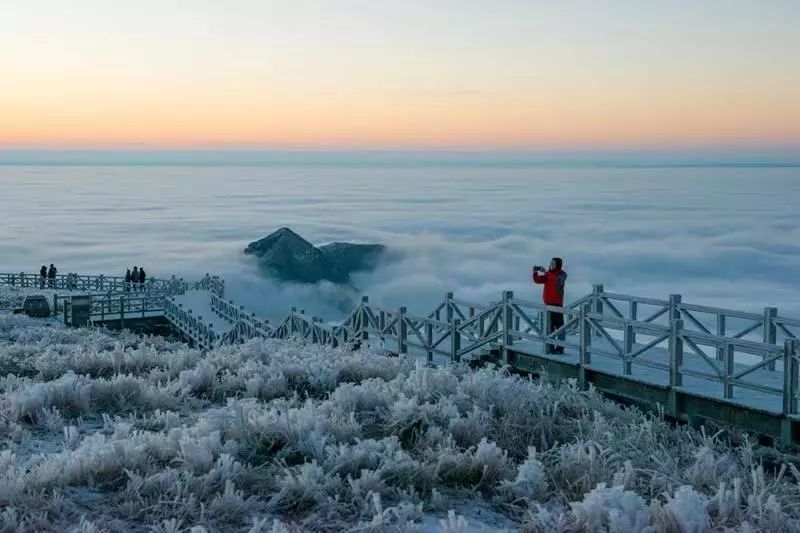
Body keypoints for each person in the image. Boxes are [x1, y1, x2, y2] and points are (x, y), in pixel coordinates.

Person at [533, 257, 567, 354]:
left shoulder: (562, 274)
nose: (551, 265)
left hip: (557, 305)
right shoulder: (549, 274)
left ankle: (560, 348)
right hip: (547, 305)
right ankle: (551, 346)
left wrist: (546, 272)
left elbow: (557, 280)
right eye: (551, 263)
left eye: (554, 263)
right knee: (549, 327)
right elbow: (537, 280)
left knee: (559, 327)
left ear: (558, 265)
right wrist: (535, 272)